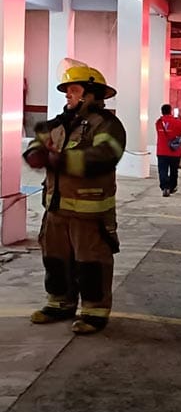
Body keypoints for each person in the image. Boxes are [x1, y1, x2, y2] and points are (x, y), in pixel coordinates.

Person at [23, 61, 126, 335]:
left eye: (74, 89)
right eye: (67, 90)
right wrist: (35, 152)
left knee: (91, 263)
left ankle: (94, 312)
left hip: (90, 215)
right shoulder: (57, 124)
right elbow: (37, 143)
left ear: (91, 94)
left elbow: (105, 156)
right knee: (55, 260)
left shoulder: (107, 125)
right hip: (55, 210)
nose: (68, 94)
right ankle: (59, 303)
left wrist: (58, 159)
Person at [155, 104, 181, 197]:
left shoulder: (158, 123)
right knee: (174, 171)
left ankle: (165, 187)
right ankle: (172, 187)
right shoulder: (177, 122)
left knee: (162, 170)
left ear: (162, 111)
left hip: (162, 151)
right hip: (174, 152)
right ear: (170, 111)